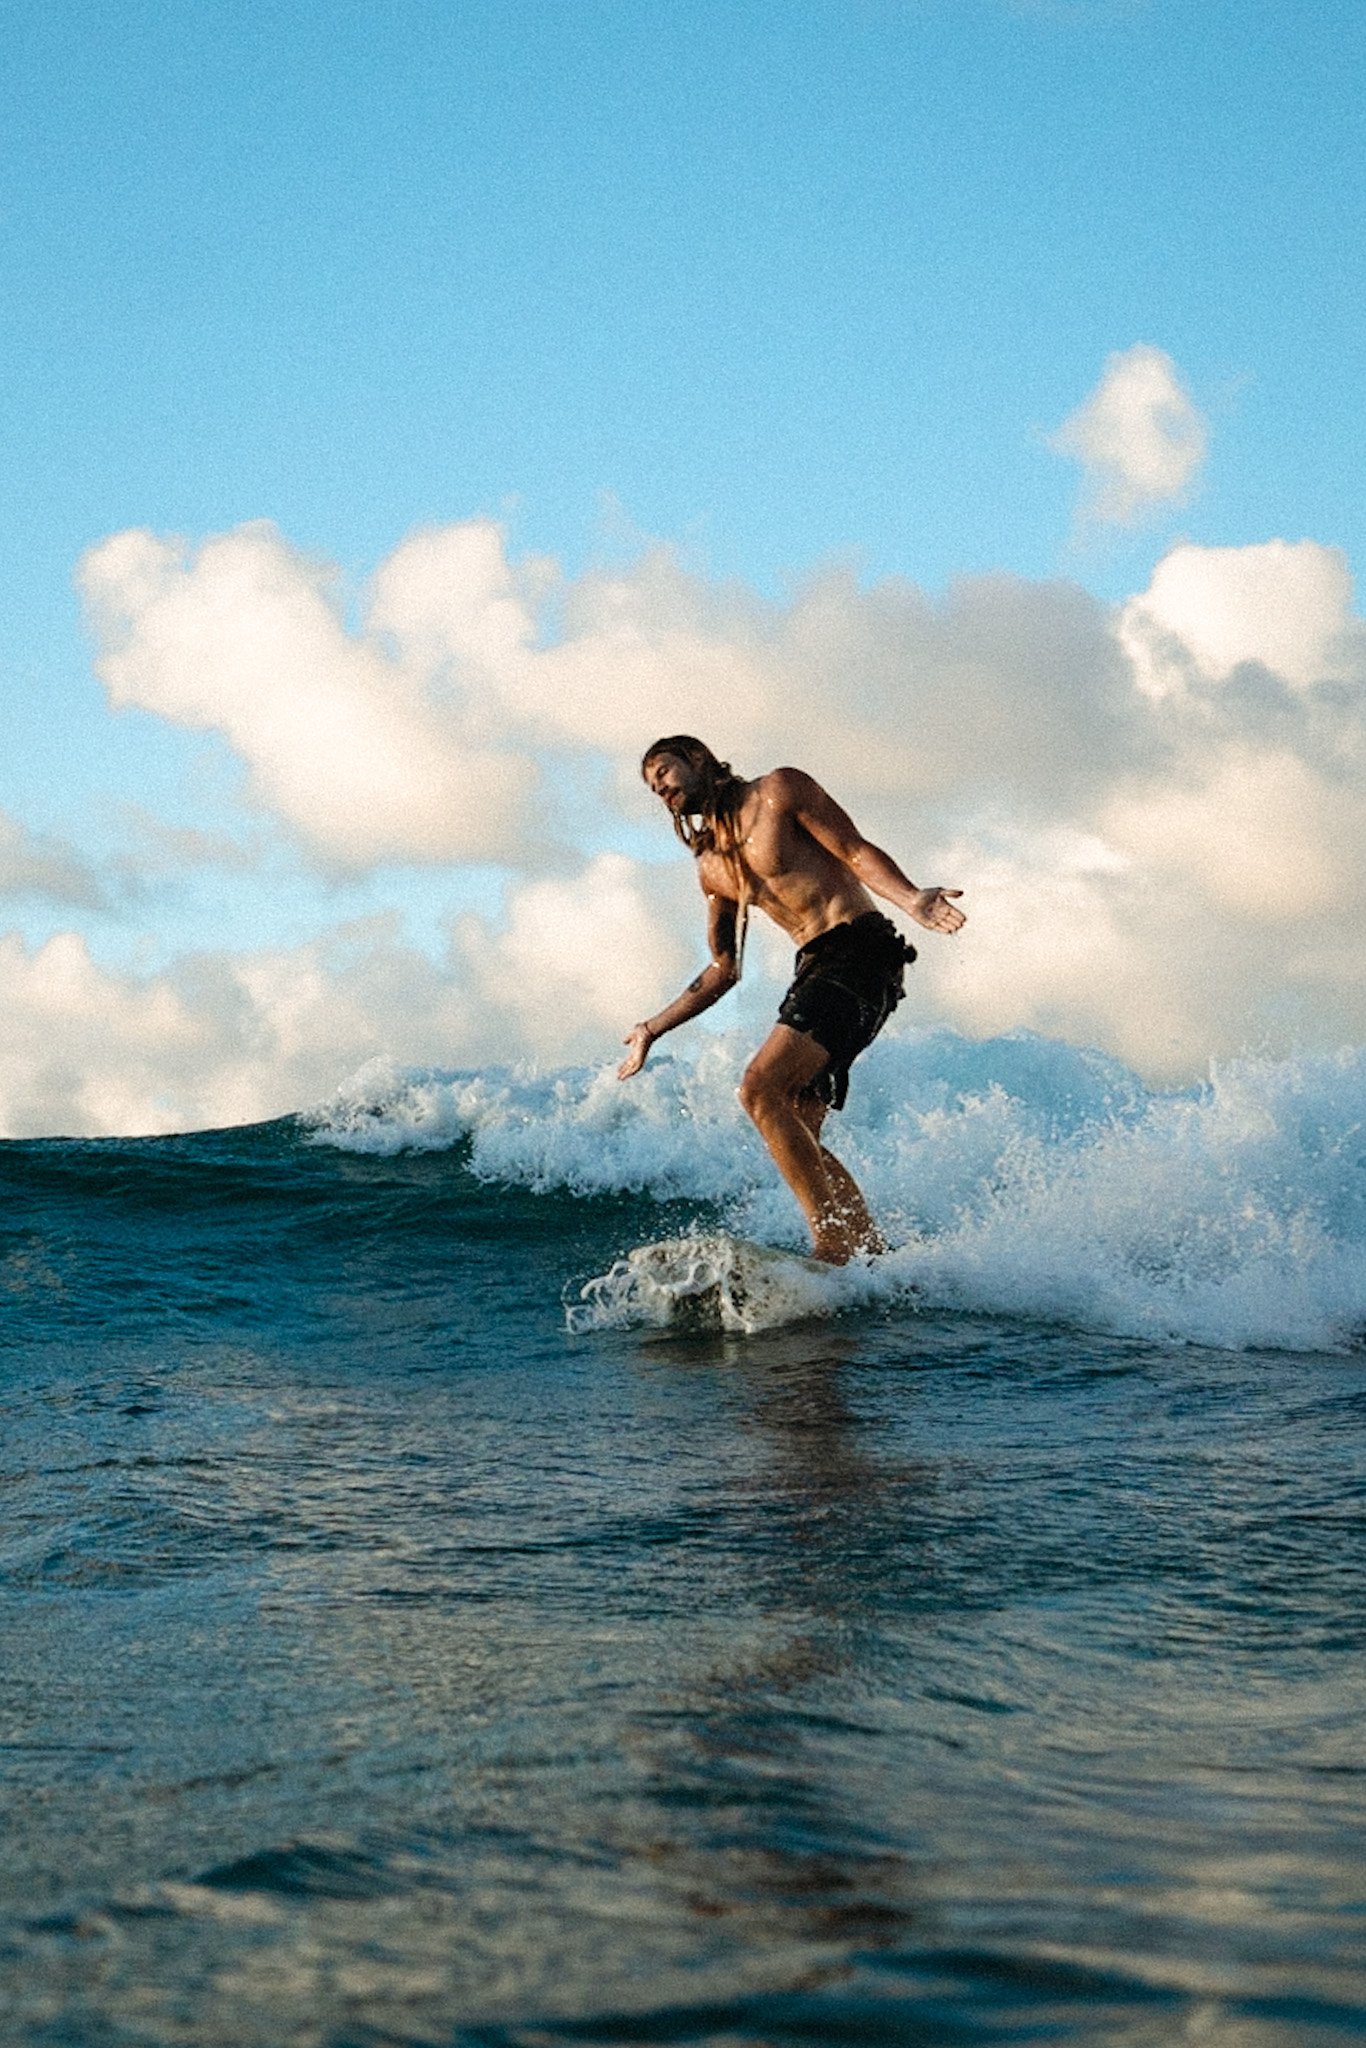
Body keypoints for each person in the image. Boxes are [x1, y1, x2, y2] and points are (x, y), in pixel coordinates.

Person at [618, 735, 965, 1264]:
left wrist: (912, 897)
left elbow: (853, 850)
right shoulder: (713, 867)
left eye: (663, 771)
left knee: (759, 1088)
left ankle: (831, 1247)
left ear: (697, 758)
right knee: (798, 1128)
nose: (659, 788)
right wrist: (652, 1028)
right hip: (815, 968)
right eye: (651, 786)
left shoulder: (779, 790)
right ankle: (870, 1254)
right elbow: (724, 969)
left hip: (859, 948)